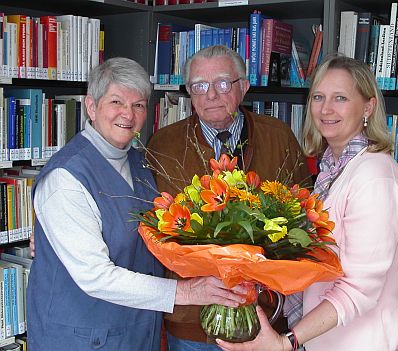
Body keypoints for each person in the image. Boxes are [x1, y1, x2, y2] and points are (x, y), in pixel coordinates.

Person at [26, 57, 248, 351]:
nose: (128, 115)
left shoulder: (140, 162)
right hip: (80, 337)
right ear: (91, 107)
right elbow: (95, 276)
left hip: (134, 330)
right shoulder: (65, 179)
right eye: (116, 102)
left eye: (139, 105)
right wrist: (186, 292)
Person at [216, 55, 398, 351]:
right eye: (318, 97)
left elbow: (359, 289)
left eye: (340, 98)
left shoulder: (375, 176)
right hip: (324, 339)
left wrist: (286, 342)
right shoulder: (332, 169)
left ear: (368, 107)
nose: (325, 109)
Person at [147, 45, 310, 351]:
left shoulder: (279, 136)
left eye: (222, 83)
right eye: (199, 86)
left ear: (244, 87)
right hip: (191, 323)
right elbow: (148, 225)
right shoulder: (163, 145)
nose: (211, 95)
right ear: (189, 93)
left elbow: (303, 215)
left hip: (262, 320)